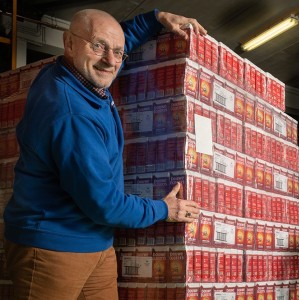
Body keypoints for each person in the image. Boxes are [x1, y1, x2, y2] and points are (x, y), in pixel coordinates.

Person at [3, 8, 206, 299]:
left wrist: (155, 18)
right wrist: (165, 209)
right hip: (52, 248)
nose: (111, 60)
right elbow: (105, 206)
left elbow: (110, 49)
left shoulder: (77, 74)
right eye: (98, 46)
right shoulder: (72, 115)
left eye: (118, 53)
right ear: (69, 43)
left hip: (96, 243)